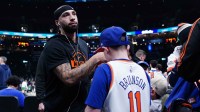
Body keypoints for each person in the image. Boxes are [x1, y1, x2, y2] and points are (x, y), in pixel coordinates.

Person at [35, 5, 106, 112]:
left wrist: (98, 65)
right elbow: (68, 78)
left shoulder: (82, 44)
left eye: (74, 14)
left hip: (81, 106)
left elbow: (86, 74)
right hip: (58, 107)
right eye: (66, 15)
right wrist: (95, 59)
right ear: (57, 22)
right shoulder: (54, 45)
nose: (72, 17)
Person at [84, 26, 150, 112]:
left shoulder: (104, 70)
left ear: (106, 49)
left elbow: (92, 110)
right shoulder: (143, 72)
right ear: (128, 47)